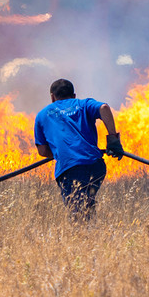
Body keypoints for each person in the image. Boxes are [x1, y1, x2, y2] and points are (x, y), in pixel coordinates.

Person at [33, 78, 124, 220]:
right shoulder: (83, 104)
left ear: (52, 97)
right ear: (74, 95)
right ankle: (93, 234)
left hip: (70, 169)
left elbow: (43, 151)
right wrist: (112, 138)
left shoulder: (42, 115)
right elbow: (104, 108)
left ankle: (84, 237)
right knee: (86, 205)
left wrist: (61, 152)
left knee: (77, 215)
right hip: (96, 165)